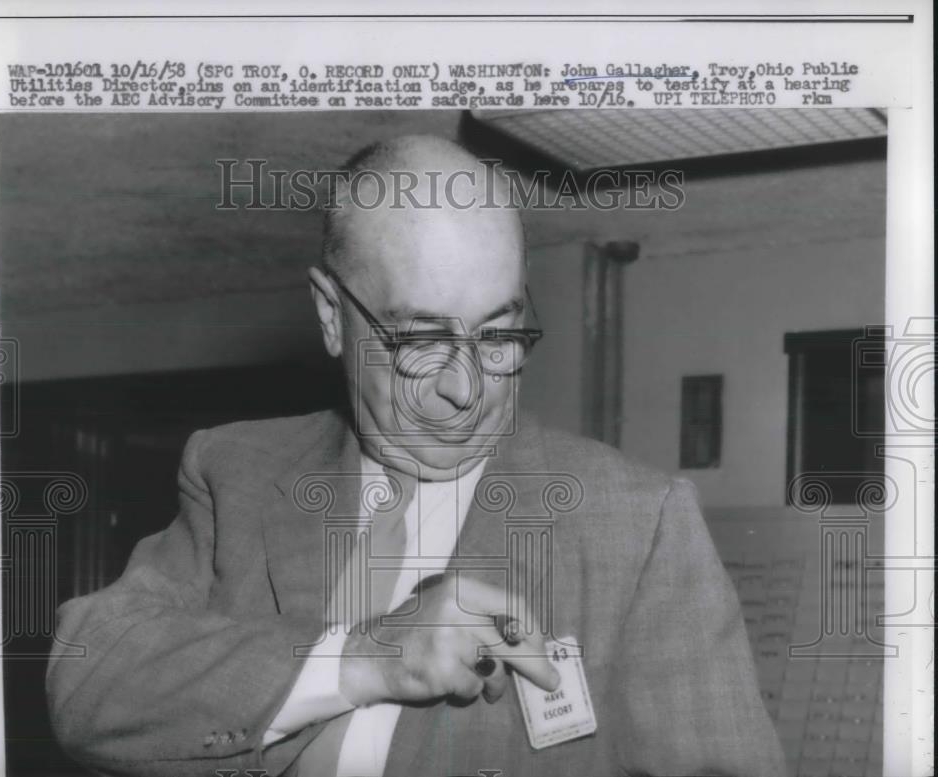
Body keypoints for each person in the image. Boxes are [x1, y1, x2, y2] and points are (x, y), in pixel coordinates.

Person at [47, 135, 786, 777]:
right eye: (422, 341)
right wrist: (369, 655)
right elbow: (90, 680)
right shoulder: (237, 471)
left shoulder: (636, 524)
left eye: (498, 335)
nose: (467, 389)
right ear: (333, 316)